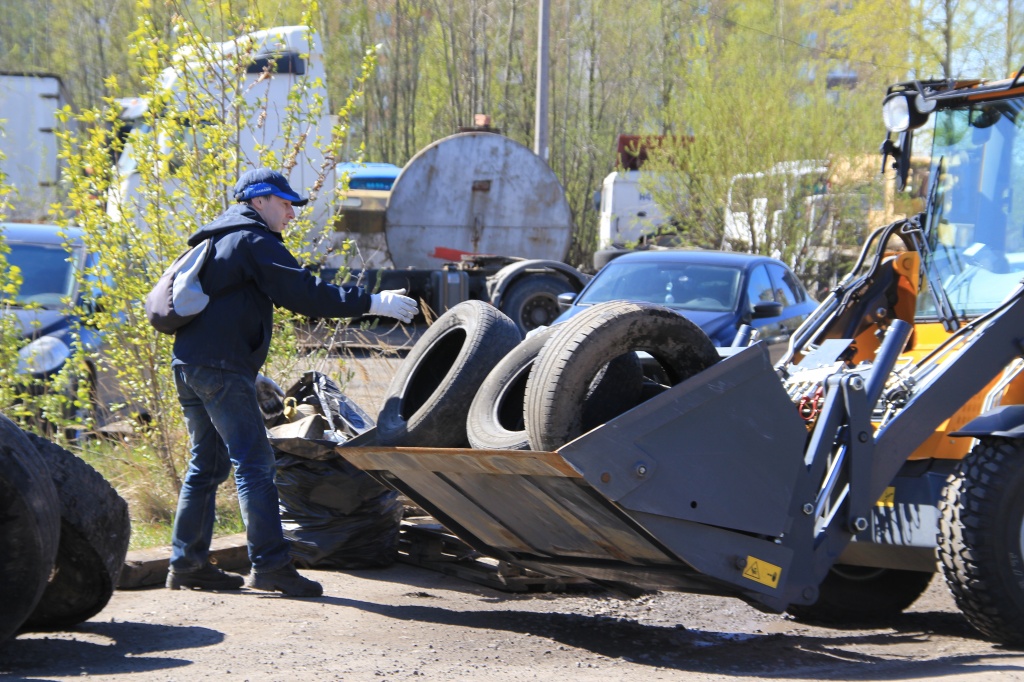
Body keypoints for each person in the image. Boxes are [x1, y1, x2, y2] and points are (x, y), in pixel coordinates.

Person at [165, 168, 417, 597]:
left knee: (205, 466)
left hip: (192, 364)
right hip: (220, 368)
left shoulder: (214, 237)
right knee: (256, 464)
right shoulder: (253, 239)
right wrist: (374, 301)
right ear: (258, 200)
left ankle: (187, 564)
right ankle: (271, 566)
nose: (292, 213)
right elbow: (304, 293)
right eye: (285, 204)